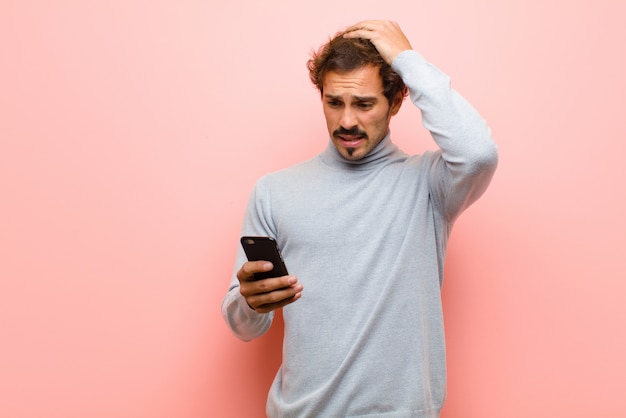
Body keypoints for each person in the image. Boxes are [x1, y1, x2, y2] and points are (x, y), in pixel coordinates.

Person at [222, 20, 498, 418]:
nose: (347, 121)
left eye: (364, 104)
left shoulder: (429, 184)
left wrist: (409, 61)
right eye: (334, 103)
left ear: (396, 102)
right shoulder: (274, 192)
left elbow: (478, 153)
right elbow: (245, 327)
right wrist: (250, 304)